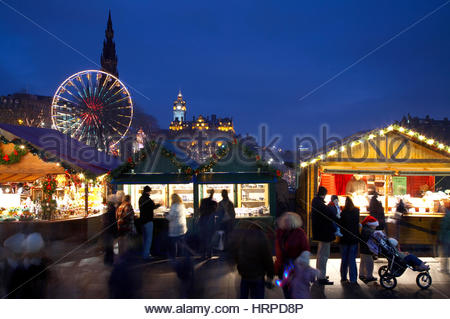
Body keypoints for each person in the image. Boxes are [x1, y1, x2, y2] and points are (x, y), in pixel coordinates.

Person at [229, 221, 274, 299]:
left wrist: (240, 266)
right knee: (258, 296)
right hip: (258, 274)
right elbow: (267, 257)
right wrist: (270, 275)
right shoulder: (261, 236)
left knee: (243, 296)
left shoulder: (242, 237)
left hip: (244, 273)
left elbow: (235, 253)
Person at [274, 212, 309, 297]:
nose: (286, 222)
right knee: (286, 289)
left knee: (295, 289)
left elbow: (305, 249)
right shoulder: (280, 232)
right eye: (285, 221)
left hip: (295, 265)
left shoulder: (299, 233)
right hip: (283, 264)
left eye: (288, 221)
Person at [311, 186, 337, 285]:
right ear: (324, 194)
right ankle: (321, 277)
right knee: (324, 255)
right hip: (324, 233)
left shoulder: (316, 202)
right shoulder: (320, 204)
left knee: (320, 254)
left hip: (320, 233)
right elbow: (331, 214)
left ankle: (320, 274)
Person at [339, 197, 360, 284]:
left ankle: (343, 277)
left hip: (344, 238)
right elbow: (357, 224)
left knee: (344, 259)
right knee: (352, 259)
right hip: (353, 238)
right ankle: (353, 279)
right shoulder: (356, 211)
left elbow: (340, 224)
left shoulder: (343, 212)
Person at [139, 186, 161, 260]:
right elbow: (153, 207)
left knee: (145, 238)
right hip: (148, 220)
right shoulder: (148, 199)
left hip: (142, 221)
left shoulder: (141, 198)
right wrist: (159, 204)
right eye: (149, 191)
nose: (150, 192)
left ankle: (144, 253)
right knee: (149, 239)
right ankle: (146, 255)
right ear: (147, 191)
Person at [166, 193, 187, 259]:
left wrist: (166, 216)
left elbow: (171, 217)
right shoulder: (182, 205)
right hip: (182, 227)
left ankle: (174, 257)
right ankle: (183, 256)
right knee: (182, 243)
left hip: (175, 227)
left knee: (174, 243)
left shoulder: (174, 206)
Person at [198, 189, 218, 259]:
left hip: (203, 222)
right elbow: (216, 212)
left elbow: (200, 210)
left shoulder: (203, 201)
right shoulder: (214, 203)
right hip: (210, 223)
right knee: (209, 239)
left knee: (203, 239)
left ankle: (203, 254)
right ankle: (209, 254)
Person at [359, 216, 379, 283]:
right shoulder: (369, 231)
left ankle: (361, 274)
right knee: (369, 263)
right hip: (367, 250)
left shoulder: (364, 229)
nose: (375, 227)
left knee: (363, 262)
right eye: (374, 226)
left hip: (363, 249)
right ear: (371, 225)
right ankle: (369, 276)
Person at [103, 194, 118, 265]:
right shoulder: (113, 209)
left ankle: (108, 259)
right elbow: (113, 221)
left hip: (108, 230)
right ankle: (109, 260)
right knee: (110, 246)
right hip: (110, 230)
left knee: (108, 246)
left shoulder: (109, 209)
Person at [438, 202, 450, 274]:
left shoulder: (447, 216)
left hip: (446, 237)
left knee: (444, 253)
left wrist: (440, 237)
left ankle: (444, 268)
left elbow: (443, 228)